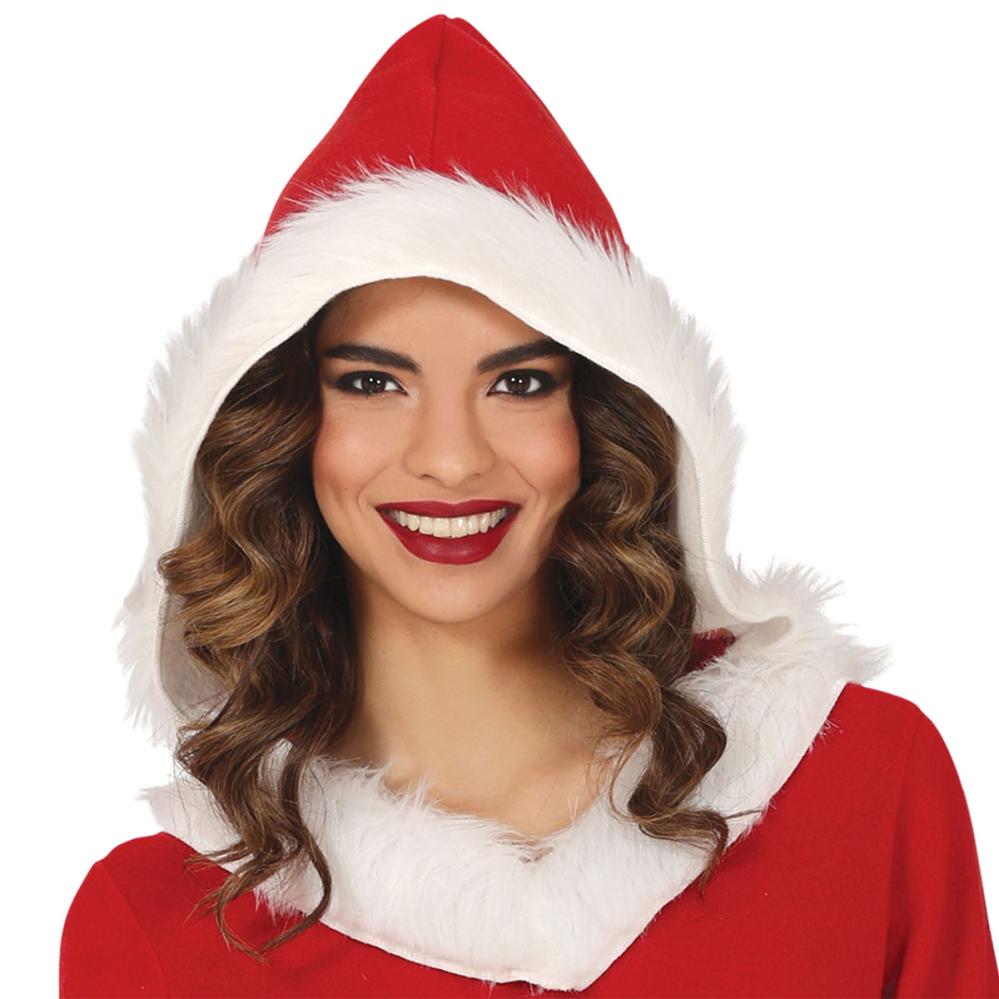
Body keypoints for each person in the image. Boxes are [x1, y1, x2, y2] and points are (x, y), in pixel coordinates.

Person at [59, 13, 998, 998]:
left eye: (518, 383)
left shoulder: (861, 786)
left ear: (599, 417)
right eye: (373, 383)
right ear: (286, 425)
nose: (451, 458)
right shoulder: (157, 930)